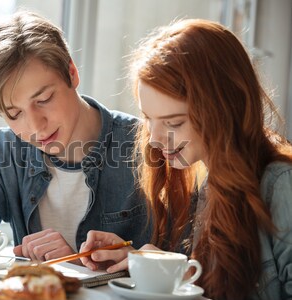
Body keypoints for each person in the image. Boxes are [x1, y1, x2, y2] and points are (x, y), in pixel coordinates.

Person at [0, 11, 151, 262]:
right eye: (14, 114)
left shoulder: (148, 144)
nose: (35, 126)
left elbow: (183, 264)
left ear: (72, 73)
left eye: (43, 99)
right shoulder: (2, 152)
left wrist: (79, 262)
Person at [79, 19, 292, 300]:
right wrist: (152, 266)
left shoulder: (281, 185)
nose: (154, 139)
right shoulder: (209, 181)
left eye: (174, 123)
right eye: (148, 118)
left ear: (223, 110)